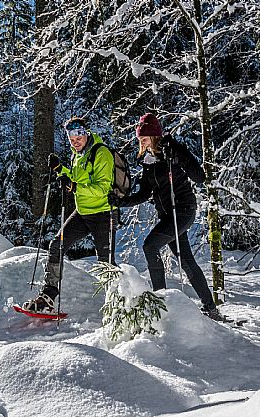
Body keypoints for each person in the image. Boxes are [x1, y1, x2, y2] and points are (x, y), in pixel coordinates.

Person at [109, 112, 221, 320]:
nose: (140, 139)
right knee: (187, 261)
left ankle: (159, 303)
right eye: (139, 136)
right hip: (168, 216)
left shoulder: (172, 150)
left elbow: (199, 176)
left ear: (155, 136)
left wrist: (179, 156)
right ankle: (211, 309)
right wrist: (121, 202)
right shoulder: (148, 162)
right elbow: (144, 194)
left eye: (145, 135)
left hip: (184, 210)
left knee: (150, 246)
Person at [24, 117, 117, 313]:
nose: (75, 140)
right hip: (83, 213)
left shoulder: (102, 154)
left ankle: (119, 304)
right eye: (71, 137)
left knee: (105, 262)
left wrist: (74, 187)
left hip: (103, 214)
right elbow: (75, 180)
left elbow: (102, 188)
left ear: (86, 133)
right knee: (56, 245)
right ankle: (48, 296)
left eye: (78, 135)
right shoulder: (78, 155)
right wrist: (61, 170)